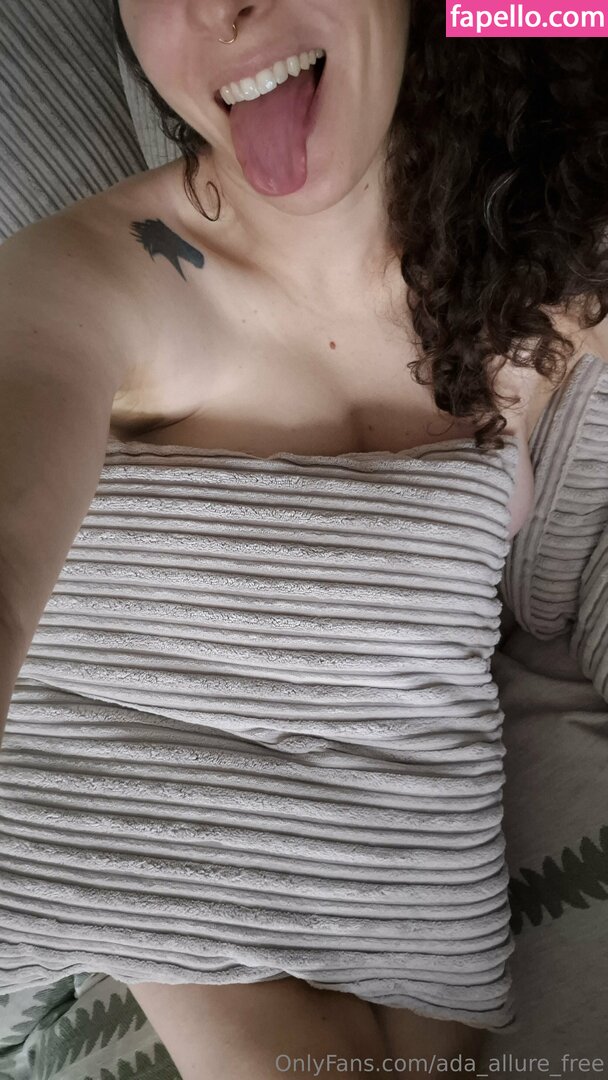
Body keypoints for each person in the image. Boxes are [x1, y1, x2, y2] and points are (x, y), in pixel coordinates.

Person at [0, 1, 606, 1077]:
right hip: (130, 834)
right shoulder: (91, 276)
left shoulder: (533, 244)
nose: (216, 7)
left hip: (409, 902)